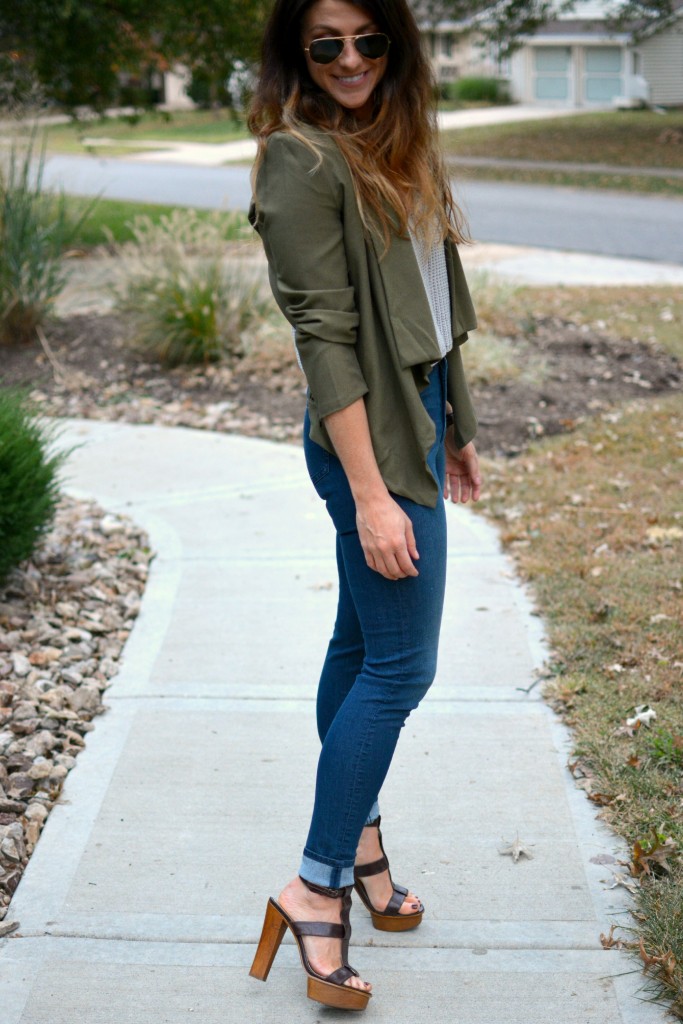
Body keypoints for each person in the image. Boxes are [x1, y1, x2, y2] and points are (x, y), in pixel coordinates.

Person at [247, 0, 481, 1010]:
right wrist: (372, 492)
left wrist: (459, 423)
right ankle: (314, 882)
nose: (350, 60)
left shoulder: (396, 141)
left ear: (397, 43)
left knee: (356, 651)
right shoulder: (298, 159)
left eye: (368, 40)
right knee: (400, 669)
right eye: (325, 45)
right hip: (366, 437)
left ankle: (364, 846)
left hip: (416, 413)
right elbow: (325, 341)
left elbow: (437, 299)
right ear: (296, 57)